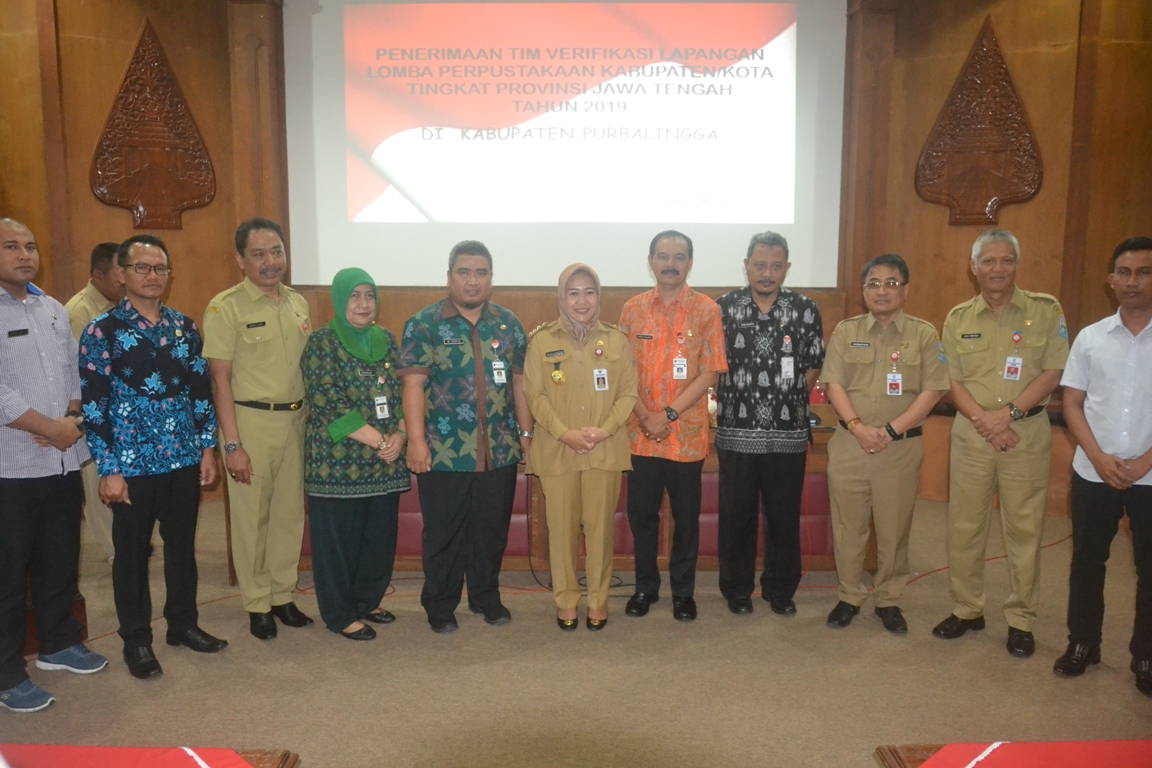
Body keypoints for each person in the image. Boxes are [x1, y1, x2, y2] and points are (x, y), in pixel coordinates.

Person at [79, 234, 226, 680]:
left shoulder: (184, 327)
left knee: (183, 549)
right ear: (121, 274)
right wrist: (109, 468)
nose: (152, 276)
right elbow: (94, 405)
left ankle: (183, 625)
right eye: (142, 268)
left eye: (160, 268)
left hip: (182, 458)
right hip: (132, 465)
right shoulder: (100, 332)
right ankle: (137, 641)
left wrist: (207, 448)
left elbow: (201, 391)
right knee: (131, 555)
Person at [936, 229, 1068, 657]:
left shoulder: (1045, 310)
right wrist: (985, 420)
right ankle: (968, 608)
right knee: (965, 526)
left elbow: (1053, 371)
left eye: (1006, 260)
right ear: (972, 268)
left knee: (1024, 529)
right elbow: (949, 379)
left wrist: (1007, 415)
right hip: (972, 432)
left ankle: (1021, 619)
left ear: (1016, 264)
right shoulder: (958, 317)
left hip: (1025, 432)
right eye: (987, 261)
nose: (997, 269)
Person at [0, 219, 107, 713]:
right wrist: (44, 425)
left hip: (63, 458)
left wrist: (68, 420)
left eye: (31, 245)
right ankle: (5, 673)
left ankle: (59, 644)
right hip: (11, 466)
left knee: (60, 558)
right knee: (7, 574)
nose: (25, 254)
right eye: (11, 246)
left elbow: (73, 370)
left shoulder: (51, 309)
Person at [399, 240, 532, 634]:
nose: (472, 281)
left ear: (491, 278)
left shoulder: (508, 324)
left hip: (500, 448)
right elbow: (412, 386)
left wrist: (525, 433)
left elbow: (520, 383)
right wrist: (417, 442)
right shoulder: (424, 323)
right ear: (449, 277)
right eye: (464, 272)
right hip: (444, 450)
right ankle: (440, 603)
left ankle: (485, 597)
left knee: (491, 529)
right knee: (444, 532)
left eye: (481, 273)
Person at [821, 254, 948, 632]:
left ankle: (889, 599)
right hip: (849, 444)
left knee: (895, 528)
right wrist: (858, 426)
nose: (882, 290)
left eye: (891, 283)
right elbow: (834, 384)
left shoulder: (924, 334)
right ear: (863, 291)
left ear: (905, 290)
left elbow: (933, 390)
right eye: (874, 283)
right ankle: (849, 595)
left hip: (900, 448)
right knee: (848, 527)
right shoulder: (846, 331)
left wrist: (891, 430)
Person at [203, 218, 314, 640]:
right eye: (259, 254)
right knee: (252, 519)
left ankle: (283, 595)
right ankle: (256, 603)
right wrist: (232, 444)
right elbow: (220, 381)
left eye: (277, 252)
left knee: (288, 515)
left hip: (294, 421)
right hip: (249, 422)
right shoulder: (225, 307)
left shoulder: (298, 303)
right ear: (240, 260)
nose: (271, 262)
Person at [1054, 237, 1152, 696]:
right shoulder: (1091, 337)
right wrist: (1096, 456)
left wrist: (1143, 463)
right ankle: (1083, 643)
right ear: (1111, 280)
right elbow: (1071, 402)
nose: (1133, 281)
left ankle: (1146, 655)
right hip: (1094, 471)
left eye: (1144, 272)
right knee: (1088, 562)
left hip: (1151, 475)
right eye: (1125, 273)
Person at [619, 230, 727, 622]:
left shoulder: (706, 310)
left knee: (685, 519)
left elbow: (711, 373)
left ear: (690, 263)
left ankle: (684, 592)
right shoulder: (632, 309)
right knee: (642, 518)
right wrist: (645, 415)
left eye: (678, 256)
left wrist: (666, 415)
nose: (670, 263)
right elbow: (621, 371)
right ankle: (645, 588)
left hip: (686, 436)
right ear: (650, 261)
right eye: (662, 256)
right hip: (640, 434)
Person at [715, 232, 824, 617]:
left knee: (782, 516)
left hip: (788, 434)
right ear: (746, 265)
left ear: (787, 268)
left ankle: (780, 589)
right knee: (736, 516)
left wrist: (785, 397)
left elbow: (813, 364)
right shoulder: (723, 308)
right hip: (736, 432)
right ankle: (737, 589)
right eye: (759, 265)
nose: (767, 273)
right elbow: (712, 367)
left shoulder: (806, 309)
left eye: (776, 266)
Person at [525, 264, 637, 631]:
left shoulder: (617, 340)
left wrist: (603, 431)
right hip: (558, 451)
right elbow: (534, 395)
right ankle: (567, 602)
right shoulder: (541, 340)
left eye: (589, 292)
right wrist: (564, 433)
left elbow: (627, 393)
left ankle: (599, 602)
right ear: (561, 298)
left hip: (604, 451)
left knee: (600, 531)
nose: (582, 300)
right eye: (573, 293)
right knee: (560, 532)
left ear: (599, 298)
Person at [301, 268, 410, 641]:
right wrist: (381, 441)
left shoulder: (389, 341)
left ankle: (367, 600)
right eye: (354, 296)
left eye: (369, 295)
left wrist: (400, 433)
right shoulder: (322, 342)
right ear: (339, 299)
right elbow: (328, 403)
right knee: (338, 543)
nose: (363, 304)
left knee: (378, 538)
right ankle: (339, 613)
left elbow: (404, 393)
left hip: (384, 464)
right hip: (337, 466)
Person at [64, 242, 124, 563]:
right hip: (94, 417)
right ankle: (117, 554)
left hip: (123, 414)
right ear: (97, 275)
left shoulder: (123, 304)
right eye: (117, 274)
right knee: (99, 487)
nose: (124, 279)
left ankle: (127, 546)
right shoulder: (78, 312)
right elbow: (81, 375)